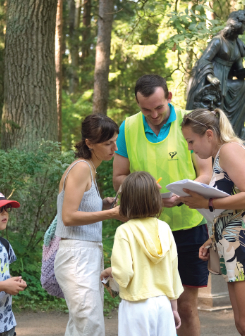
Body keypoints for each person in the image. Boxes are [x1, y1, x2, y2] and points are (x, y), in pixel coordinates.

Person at [113, 74, 213, 336]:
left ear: (169, 97)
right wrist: (154, 199)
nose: (153, 114)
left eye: (158, 107)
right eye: (146, 109)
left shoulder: (190, 121)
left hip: (189, 228)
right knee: (149, 305)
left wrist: (183, 194)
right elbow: (119, 178)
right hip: (145, 233)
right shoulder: (128, 127)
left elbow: (205, 172)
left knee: (186, 308)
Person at [179, 108, 245, 336]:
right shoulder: (223, 154)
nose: (190, 147)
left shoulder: (228, 150)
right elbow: (234, 205)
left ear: (209, 134)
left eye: (191, 140)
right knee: (244, 325)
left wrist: (206, 202)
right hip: (238, 244)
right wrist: (213, 239)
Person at [54, 114, 125, 336]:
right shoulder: (81, 168)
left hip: (85, 254)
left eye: (115, 141)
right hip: (77, 255)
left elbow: (78, 208)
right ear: (89, 143)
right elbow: (68, 216)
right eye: (107, 143)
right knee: (90, 325)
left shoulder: (89, 170)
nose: (114, 148)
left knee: (82, 325)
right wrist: (110, 213)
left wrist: (102, 205)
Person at [101, 171, 183, 336]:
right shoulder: (165, 229)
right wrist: (174, 309)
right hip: (164, 305)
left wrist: (108, 272)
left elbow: (123, 274)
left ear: (126, 201)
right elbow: (173, 271)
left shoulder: (124, 231)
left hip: (135, 305)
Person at [186, 10, 245, 138]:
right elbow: (204, 60)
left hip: (226, 82)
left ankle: (234, 128)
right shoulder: (218, 41)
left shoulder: (238, 45)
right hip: (213, 81)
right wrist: (210, 76)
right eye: (244, 24)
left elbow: (238, 72)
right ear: (236, 24)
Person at [0, 193, 27, 336]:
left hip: (7, 322)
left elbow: (4, 273)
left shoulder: (5, 245)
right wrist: (4, 286)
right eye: (0, 210)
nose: (5, 213)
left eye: (7, 208)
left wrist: (14, 281)